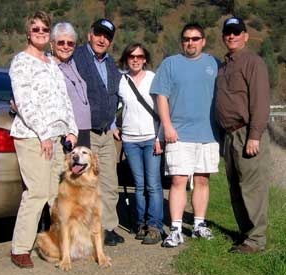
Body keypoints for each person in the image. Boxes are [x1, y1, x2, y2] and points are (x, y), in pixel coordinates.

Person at [9, 11, 78, 268]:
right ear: (28, 32)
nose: (40, 32)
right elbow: (24, 103)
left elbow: (64, 99)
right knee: (37, 192)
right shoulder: (21, 62)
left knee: (54, 195)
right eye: (35, 29)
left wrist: (72, 129)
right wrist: (43, 134)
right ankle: (20, 248)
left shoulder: (52, 63)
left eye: (44, 29)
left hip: (58, 138)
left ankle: (55, 245)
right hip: (33, 137)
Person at [150, 23, 220, 248]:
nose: (190, 42)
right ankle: (176, 229)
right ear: (182, 42)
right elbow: (161, 96)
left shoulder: (214, 64)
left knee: (202, 179)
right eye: (186, 39)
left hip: (208, 133)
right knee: (178, 180)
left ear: (203, 41)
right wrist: (167, 127)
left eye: (195, 38)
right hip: (178, 133)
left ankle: (199, 224)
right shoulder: (171, 64)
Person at [216, 17, 270, 254]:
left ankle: (256, 239)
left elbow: (260, 101)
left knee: (252, 188)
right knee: (235, 188)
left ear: (246, 36)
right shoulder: (224, 65)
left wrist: (254, 135)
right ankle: (246, 234)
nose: (232, 36)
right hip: (229, 136)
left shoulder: (253, 62)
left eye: (237, 32)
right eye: (228, 32)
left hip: (246, 132)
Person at [73, 19, 124, 246]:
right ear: (90, 34)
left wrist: (113, 124)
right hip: (85, 133)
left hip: (106, 133)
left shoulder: (111, 64)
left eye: (107, 37)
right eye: (99, 34)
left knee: (109, 184)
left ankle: (107, 228)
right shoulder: (76, 57)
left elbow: (113, 97)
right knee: (85, 183)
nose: (102, 39)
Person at [114, 43, 164, 244]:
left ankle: (155, 225)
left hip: (151, 137)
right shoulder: (121, 81)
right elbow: (114, 105)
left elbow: (162, 108)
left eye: (139, 56)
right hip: (130, 141)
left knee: (153, 184)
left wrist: (160, 137)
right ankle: (140, 223)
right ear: (126, 59)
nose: (135, 59)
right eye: (131, 56)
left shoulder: (153, 79)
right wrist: (112, 126)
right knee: (139, 185)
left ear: (145, 59)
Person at [50, 22, 91, 147]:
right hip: (66, 132)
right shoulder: (49, 67)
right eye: (61, 42)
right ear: (52, 44)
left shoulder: (74, 63)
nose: (66, 46)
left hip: (84, 128)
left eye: (70, 43)